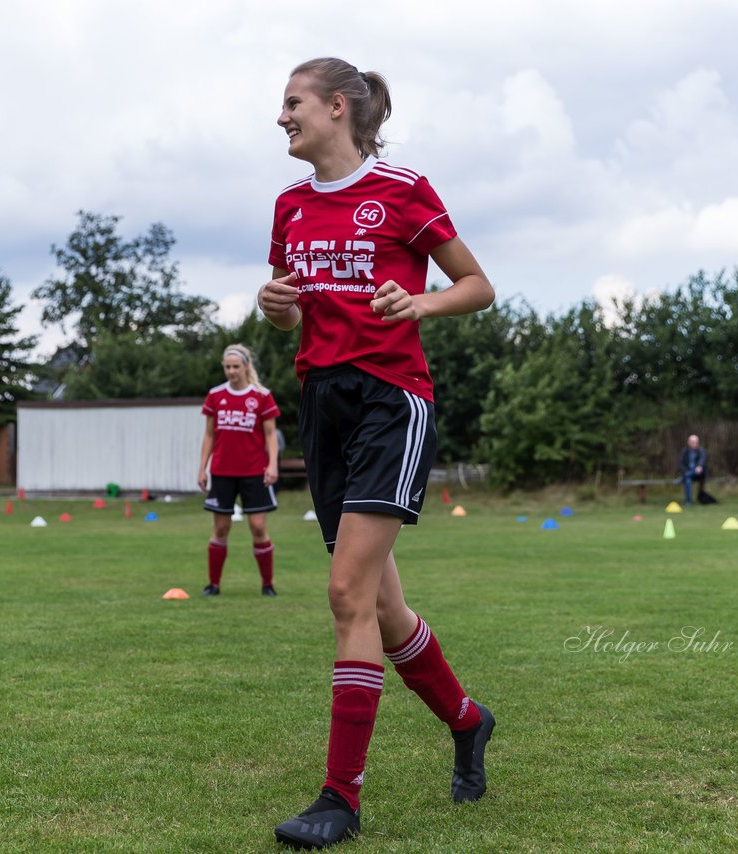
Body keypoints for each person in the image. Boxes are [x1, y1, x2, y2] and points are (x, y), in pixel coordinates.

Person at [258, 57, 497, 849]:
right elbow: (292, 318)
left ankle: (340, 798)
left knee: (345, 592)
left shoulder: (403, 191)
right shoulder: (290, 205)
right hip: (322, 402)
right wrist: (277, 309)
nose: (280, 117)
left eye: (291, 103)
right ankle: (467, 720)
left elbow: (476, 284)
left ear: (336, 107)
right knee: (381, 606)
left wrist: (420, 299)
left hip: (392, 399)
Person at [198, 343, 281, 596]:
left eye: (236, 366)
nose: (231, 371)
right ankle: (213, 585)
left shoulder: (261, 396)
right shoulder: (215, 395)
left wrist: (272, 464)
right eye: (227, 367)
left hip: (254, 471)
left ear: (246, 366)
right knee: (221, 528)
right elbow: (209, 435)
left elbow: (270, 435)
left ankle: (267, 585)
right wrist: (202, 468)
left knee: (257, 527)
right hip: (222, 471)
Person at [678, 434, 708, 506]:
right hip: (688, 473)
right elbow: (681, 464)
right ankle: (688, 502)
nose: (694, 444)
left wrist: (699, 466)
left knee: (688, 476)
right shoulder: (684, 452)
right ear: (688, 442)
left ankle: (683, 478)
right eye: (692, 442)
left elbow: (702, 459)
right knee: (688, 481)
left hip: (699, 474)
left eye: (695, 442)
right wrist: (685, 471)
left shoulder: (701, 451)